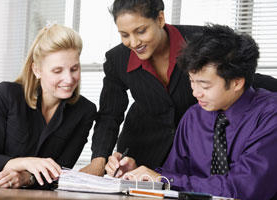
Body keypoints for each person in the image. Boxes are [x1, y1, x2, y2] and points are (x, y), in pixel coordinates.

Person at [81, 0, 277, 177]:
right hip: (145, 149)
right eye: (124, 35)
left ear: (160, 18)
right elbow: (109, 114)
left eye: (141, 31)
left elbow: (242, 74)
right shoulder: (117, 59)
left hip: (195, 150)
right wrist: (99, 160)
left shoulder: (199, 43)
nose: (133, 42)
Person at [117, 24, 277, 200]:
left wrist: (165, 180)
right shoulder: (194, 116)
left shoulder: (270, 116)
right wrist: (142, 176)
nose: (195, 92)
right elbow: (173, 173)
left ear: (237, 82)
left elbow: (243, 188)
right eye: (192, 81)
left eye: (205, 85)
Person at [0, 24, 96, 189]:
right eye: (57, 71)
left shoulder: (84, 111)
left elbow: (61, 172)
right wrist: (24, 163)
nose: (69, 79)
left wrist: (27, 177)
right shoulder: (7, 95)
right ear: (37, 70)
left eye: (74, 69)